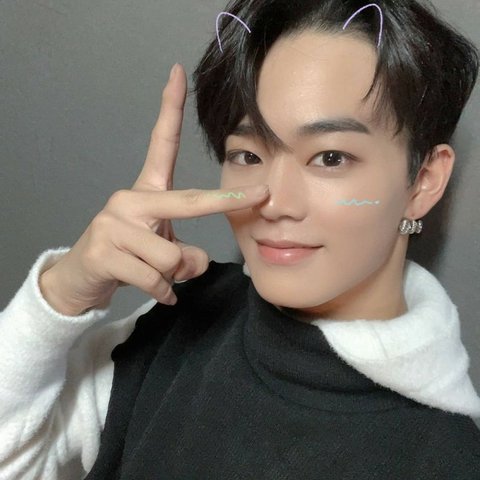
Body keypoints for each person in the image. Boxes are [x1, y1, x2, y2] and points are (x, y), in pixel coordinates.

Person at [1, 0, 479, 478]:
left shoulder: (445, 456)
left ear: (423, 182)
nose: (274, 202)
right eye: (248, 156)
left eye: (330, 157)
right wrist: (60, 296)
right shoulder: (180, 320)